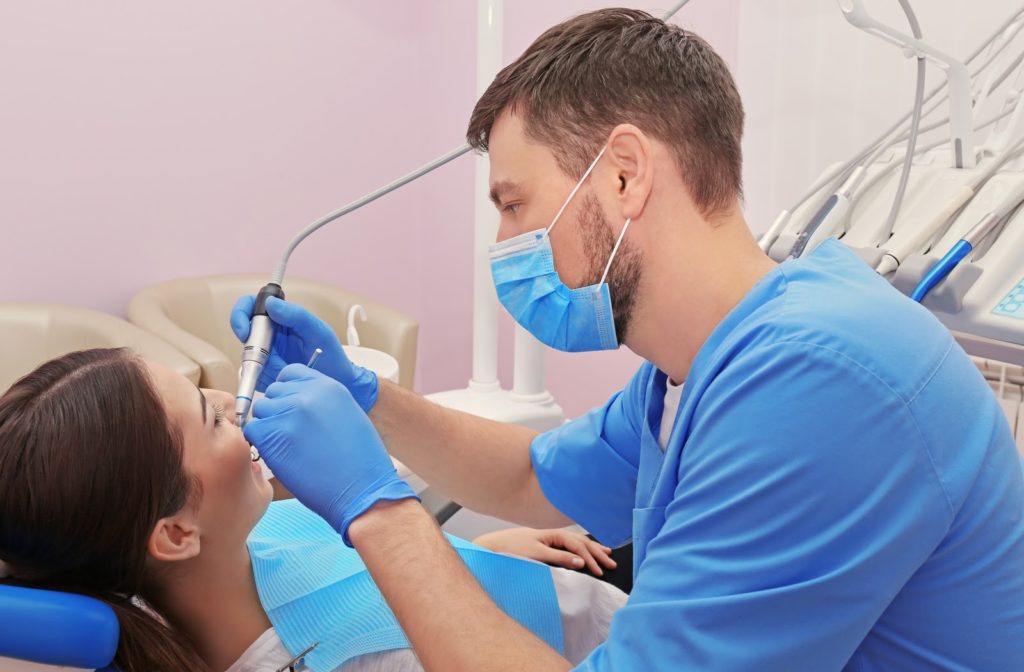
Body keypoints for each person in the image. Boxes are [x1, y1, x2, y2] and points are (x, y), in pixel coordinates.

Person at [231, 8, 1024, 671]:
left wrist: (382, 514)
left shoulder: (818, 381)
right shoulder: (698, 366)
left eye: (513, 204)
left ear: (622, 174)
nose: (504, 243)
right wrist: (368, 399)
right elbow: (531, 478)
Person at [0, 349, 625, 671]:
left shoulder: (239, 542)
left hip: (558, 588)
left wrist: (476, 555)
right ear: (174, 532)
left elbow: (349, 576)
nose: (234, 402)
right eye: (209, 416)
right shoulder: (354, 661)